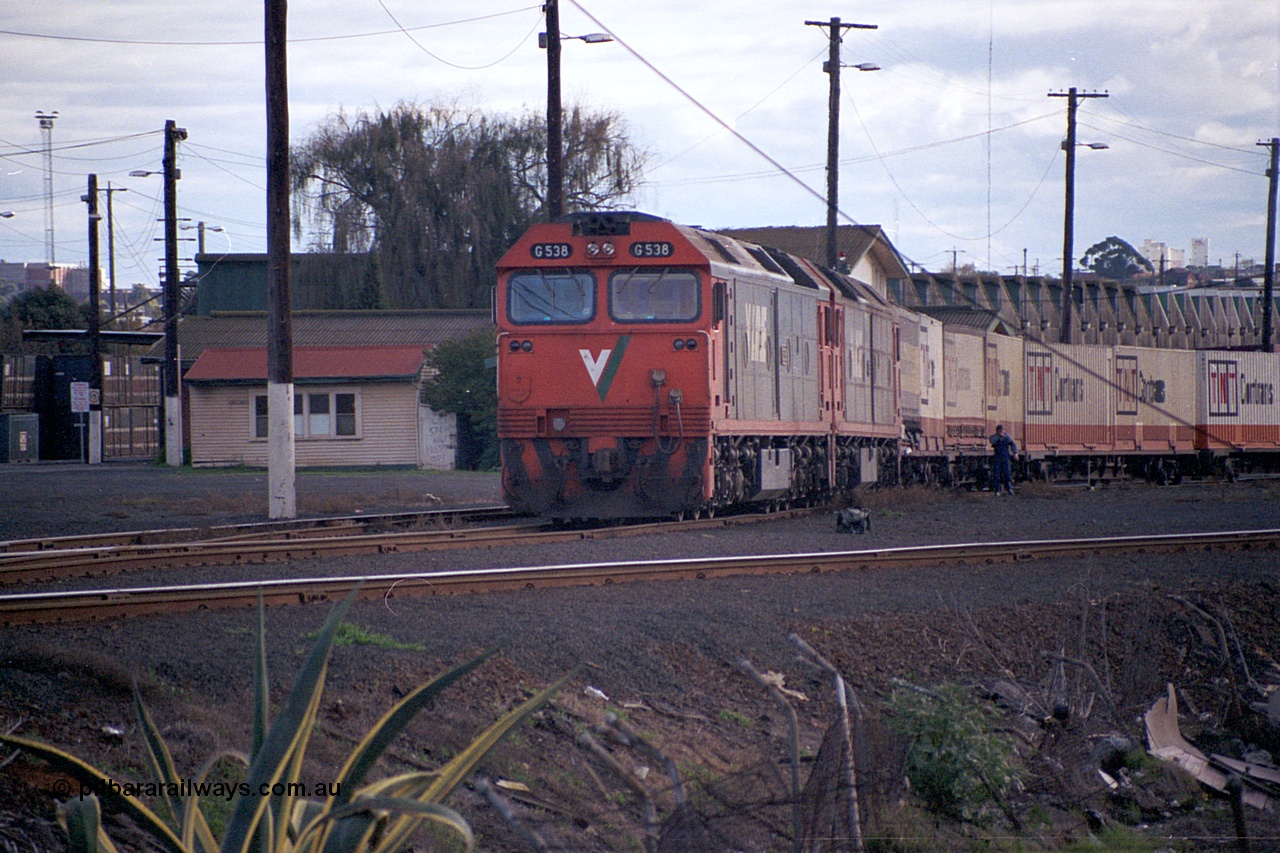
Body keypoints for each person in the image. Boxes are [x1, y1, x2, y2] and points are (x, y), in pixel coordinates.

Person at [989, 424, 1016, 496]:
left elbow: (1013, 444)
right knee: (996, 474)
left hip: (1005, 457)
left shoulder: (1007, 437)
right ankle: (997, 490)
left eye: (1002, 430)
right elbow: (991, 440)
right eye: (999, 430)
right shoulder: (995, 438)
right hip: (997, 457)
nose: (1001, 432)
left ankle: (1009, 488)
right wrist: (998, 436)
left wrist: (1015, 453)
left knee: (1007, 473)